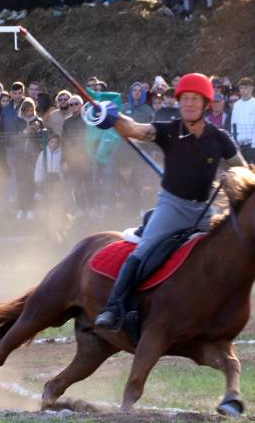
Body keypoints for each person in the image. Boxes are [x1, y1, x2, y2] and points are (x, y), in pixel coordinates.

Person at [93, 73, 246, 331]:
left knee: (224, 256)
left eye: (194, 99)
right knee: (142, 252)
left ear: (206, 103)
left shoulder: (219, 138)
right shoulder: (168, 130)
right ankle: (113, 307)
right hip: (172, 207)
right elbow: (134, 129)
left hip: (204, 213)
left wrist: (235, 176)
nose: (188, 104)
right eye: (184, 98)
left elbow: (243, 169)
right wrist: (113, 117)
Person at [230, 77, 255, 165]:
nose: (243, 91)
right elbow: (233, 124)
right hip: (239, 145)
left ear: (251, 89)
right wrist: (234, 142)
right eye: (241, 88)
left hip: (253, 145)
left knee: (254, 170)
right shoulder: (237, 105)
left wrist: (253, 145)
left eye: (246, 88)